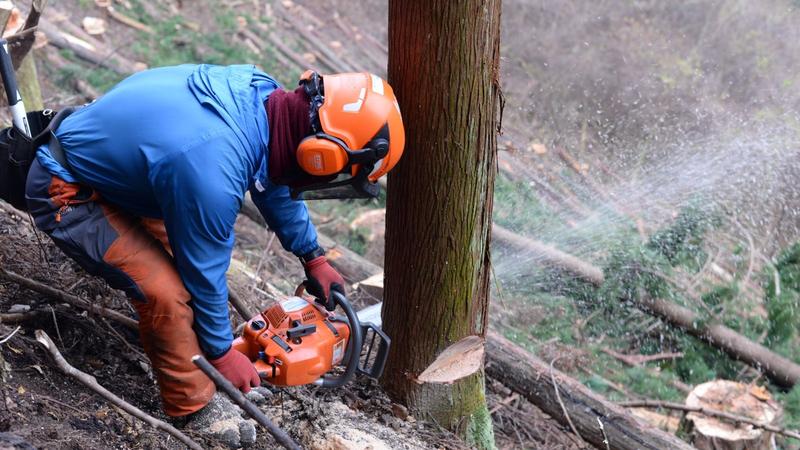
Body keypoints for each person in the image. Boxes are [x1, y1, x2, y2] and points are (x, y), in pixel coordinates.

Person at [24, 64, 405, 447]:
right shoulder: (213, 170)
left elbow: (273, 181)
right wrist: (222, 356)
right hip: (69, 188)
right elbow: (204, 275)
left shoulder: (266, 101)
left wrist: (313, 256)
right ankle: (194, 408)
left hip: (133, 177)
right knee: (167, 293)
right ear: (320, 154)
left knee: (191, 289)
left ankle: (195, 356)